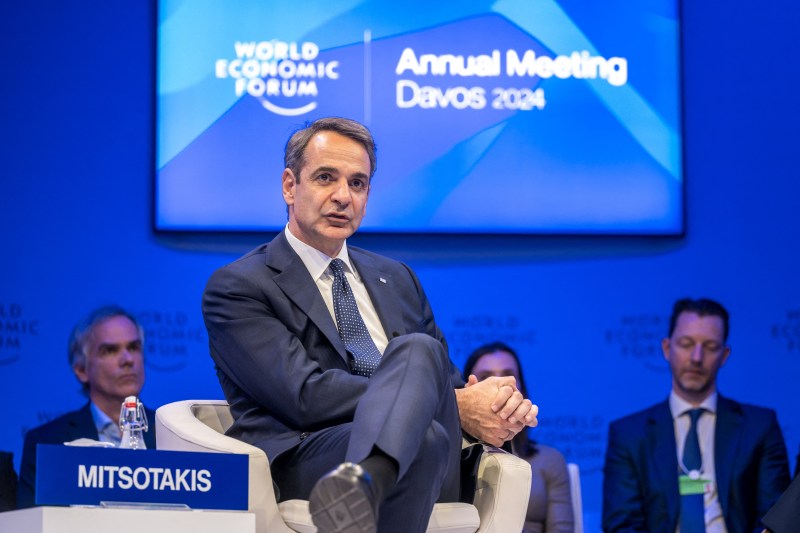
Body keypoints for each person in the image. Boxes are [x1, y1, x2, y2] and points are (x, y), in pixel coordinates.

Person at [202, 117, 539, 533]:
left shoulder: (398, 278)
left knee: (420, 352)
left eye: (357, 183)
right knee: (426, 437)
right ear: (290, 185)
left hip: (426, 469)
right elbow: (302, 397)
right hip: (315, 458)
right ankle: (367, 474)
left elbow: (442, 379)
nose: (343, 196)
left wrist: (496, 406)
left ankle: (365, 480)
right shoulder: (240, 286)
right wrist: (453, 404)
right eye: (326, 178)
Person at [602, 298, 791, 532]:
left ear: (725, 355)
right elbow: (622, 525)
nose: (696, 358)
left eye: (710, 347)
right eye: (686, 344)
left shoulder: (759, 426)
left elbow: (776, 519)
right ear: (666, 348)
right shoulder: (629, 434)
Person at [17, 305, 155, 508]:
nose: (127, 360)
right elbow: (32, 523)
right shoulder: (47, 443)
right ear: (81, 369)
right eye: (110, 350)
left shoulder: (171, 433)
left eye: (133, 347)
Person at [463, 341, 574, 533]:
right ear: (468, 389)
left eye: (508, 377)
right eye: (485, 377)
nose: (500, 386)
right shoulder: (448, 459)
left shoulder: (549, 460)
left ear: (521, 388)